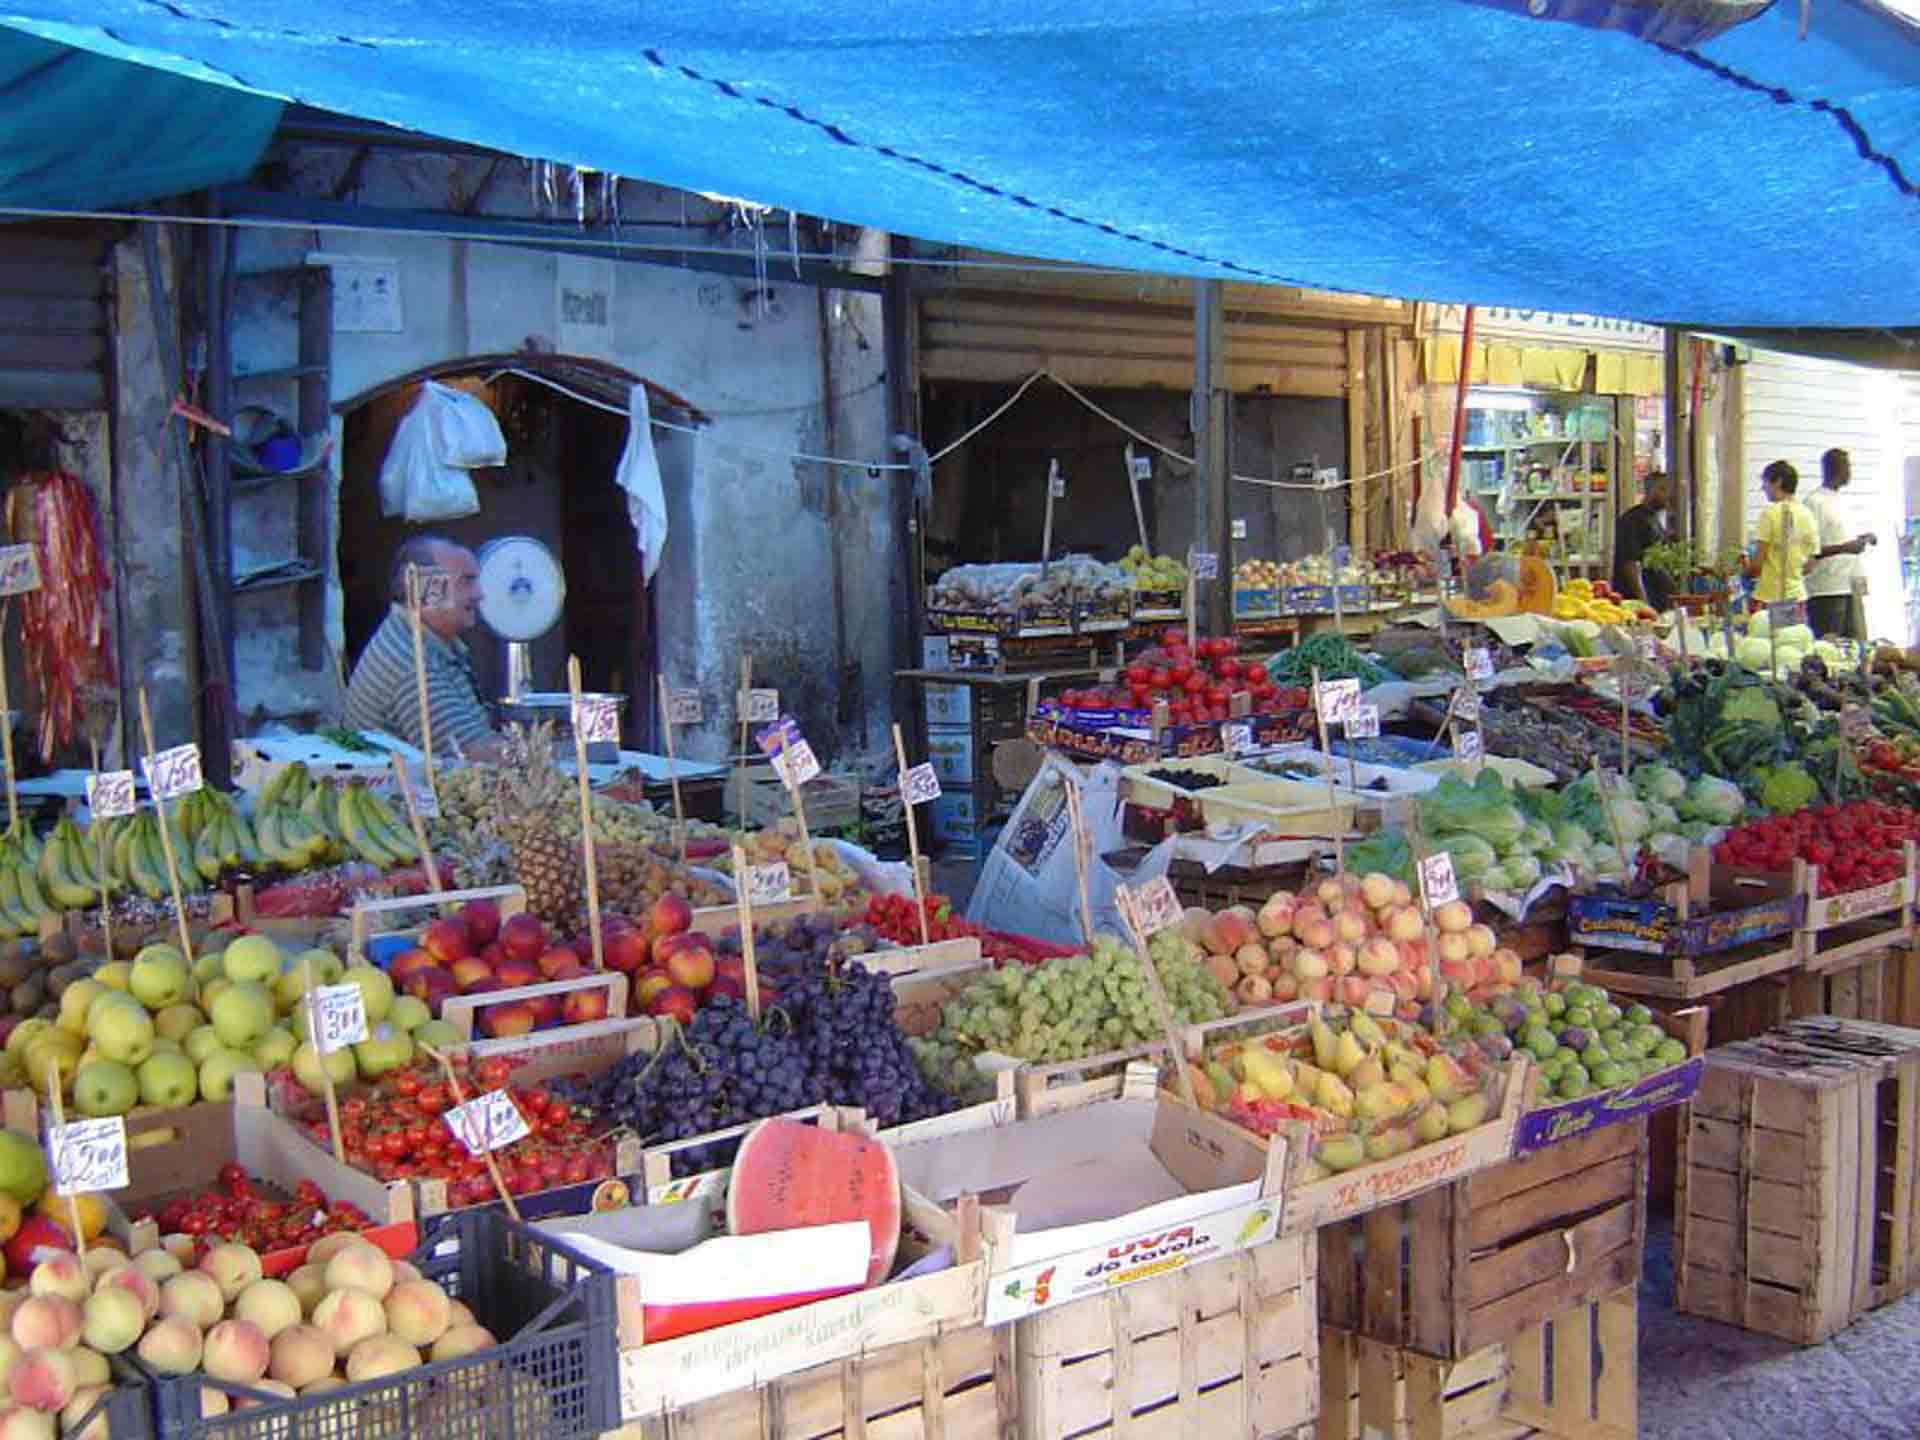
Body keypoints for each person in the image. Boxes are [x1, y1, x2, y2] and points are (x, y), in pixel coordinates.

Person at [343, 535, 506, 761]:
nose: (479, 594)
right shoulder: (410, 664)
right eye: (466, 581)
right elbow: (476, 755)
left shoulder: (424, 639)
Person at [1803, 447, 1876, 639]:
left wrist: (1864, 538)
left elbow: (1840, 536)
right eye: (1847, 467)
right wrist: (1846, 548)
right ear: (1834, 468)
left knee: (1857, 644)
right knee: (1831, 648)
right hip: (1827, 588)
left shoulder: (1842, 500)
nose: (1850, 472)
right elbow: (1809, 549)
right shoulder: (1814, 502)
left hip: (1851, 584)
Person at [1746, 459, 1819, 607]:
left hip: (1770, 597)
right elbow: (1811, 564)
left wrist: (1744, 568)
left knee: (1767, 631)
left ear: (1777, 482)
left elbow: (1757, 565)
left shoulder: (1770, 514)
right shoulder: (1807, 514)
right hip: (1797, 597)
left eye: (1765, 482)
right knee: (1794, 631)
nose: (1763, 488)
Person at [1612, 472, 1674, 612]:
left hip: (1659, 600)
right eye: (1663, 489)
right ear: (1650, 490)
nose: (1668, 495)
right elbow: (1630, 563)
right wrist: (1643, 601)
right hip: (1638, 603)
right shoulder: (1632, 520)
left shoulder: (1654, 520)